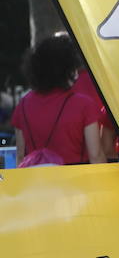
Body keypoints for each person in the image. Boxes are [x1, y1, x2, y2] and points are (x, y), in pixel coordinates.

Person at [13, 32, 104, 166]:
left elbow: (20, 156)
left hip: (36, 181)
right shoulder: (84, 105)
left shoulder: (23, 104)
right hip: (75, 181)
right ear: (68, 68)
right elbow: (95, 156)